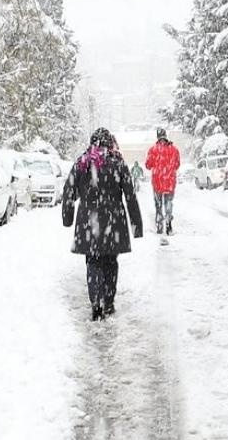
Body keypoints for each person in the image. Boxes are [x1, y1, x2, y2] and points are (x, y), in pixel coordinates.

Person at [62, 127, 143, 321]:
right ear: (110, 143)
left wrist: (68, 218)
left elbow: (68, 193)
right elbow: (130, 195)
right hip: (113, 221)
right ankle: (108, 300)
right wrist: (136, 224)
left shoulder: (81, 163)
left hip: (88, 222)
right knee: (111, 262)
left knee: (93, 262)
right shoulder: (118, 163)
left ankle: (96, 304)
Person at [145, 127, 181, 235]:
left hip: (157, 182)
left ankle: (159, 225)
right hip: (170, 181)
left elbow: (148, 165)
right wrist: (169, 170)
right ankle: (169, 224)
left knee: (158, 204)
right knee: (169, 202)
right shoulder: (174, 149)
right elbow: (177, 164)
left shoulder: (153, 150)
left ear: (157, 136)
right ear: (165, 136)